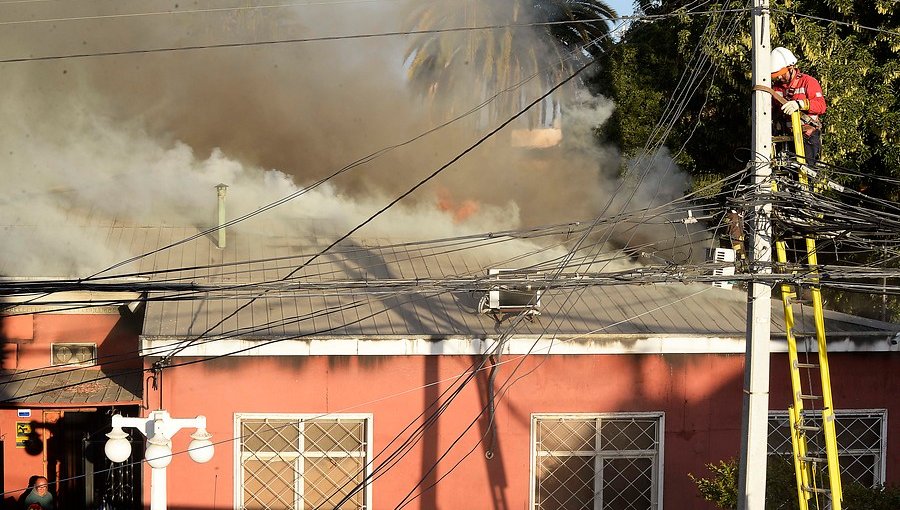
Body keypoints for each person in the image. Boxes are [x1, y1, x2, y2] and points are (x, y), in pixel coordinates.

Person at [770, 46, 826, 165]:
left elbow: (821, 106)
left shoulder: (808, 82)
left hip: (807, 137)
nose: (779, 77)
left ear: (791, 68)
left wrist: (800, 104)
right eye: (776, 75)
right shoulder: (776, 88)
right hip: (786, 138)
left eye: (782, 74)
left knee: (806, 173)